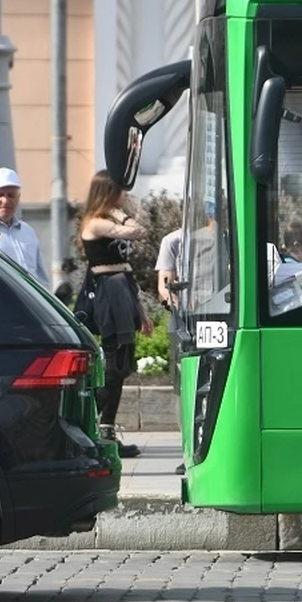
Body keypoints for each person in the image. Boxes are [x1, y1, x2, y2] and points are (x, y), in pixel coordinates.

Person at [78, 170, 154, 458]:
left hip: (123, 289)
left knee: (122, 363)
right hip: (107, 292)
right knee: (113, 361)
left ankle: (106, 429)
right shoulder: (95, 223)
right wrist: (119, 213)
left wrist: (141, 310)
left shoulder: (109, 220)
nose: (126, 196)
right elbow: (137, 231)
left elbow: (126, 266)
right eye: (121, 190)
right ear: (107, 192)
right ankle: (90, 426)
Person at [0, 167, 50, 289]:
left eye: (11, 195)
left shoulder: (28, 232)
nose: (5, 201)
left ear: (19, 197)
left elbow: (41, 279)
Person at [154, 226, 187, 476]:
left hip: (222, 312)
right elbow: (164, 285)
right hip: (184, 318)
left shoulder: (229, 238)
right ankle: (187, 450)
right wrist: (175, 305)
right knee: (183, 386)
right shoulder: (173, 241)